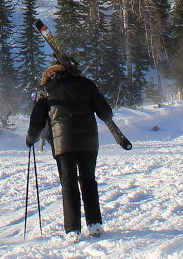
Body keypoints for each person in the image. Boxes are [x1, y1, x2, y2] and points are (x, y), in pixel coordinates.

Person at [26, 64, 113, 242]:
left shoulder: (45, 90)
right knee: (89, 181)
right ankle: (94, 224)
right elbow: (106, 113)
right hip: (88, 142)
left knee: (69, 183)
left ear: (49, 76)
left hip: (62, 143)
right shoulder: (86, 84)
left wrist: (30, 139)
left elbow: (37, 120)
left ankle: (72, 229)